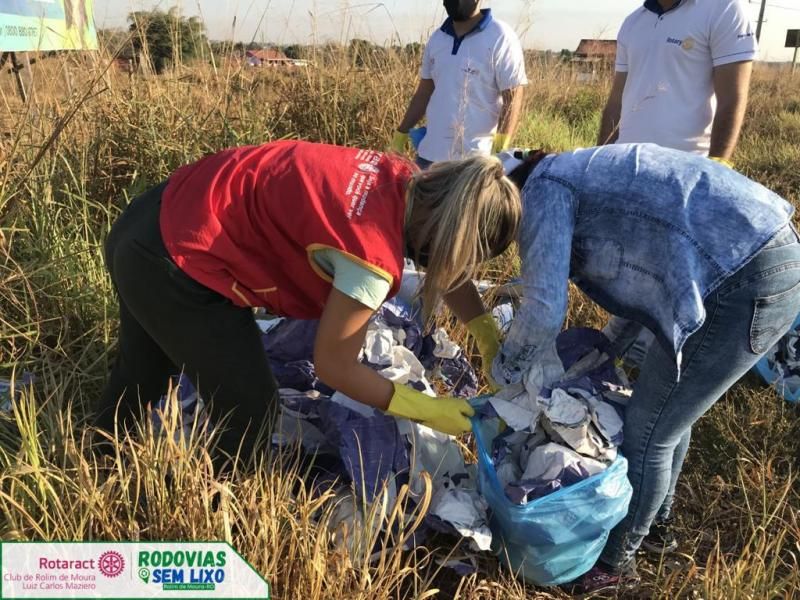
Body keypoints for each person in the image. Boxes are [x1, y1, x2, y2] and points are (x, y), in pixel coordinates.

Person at [493, 143, 800, 594]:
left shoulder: (543, 190)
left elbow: (543, 310)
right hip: (754, 256)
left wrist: (503, 376)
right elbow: (642, 279)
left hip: (744, 276)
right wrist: (603, 351)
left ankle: (614, 566)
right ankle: (656, 525)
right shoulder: (577, 174)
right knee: (669, 413)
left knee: (648, 432)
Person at [97, 140, 518, 468]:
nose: (455, 266)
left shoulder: (399, 177)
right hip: (179, 258)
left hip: (149, 220)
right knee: (250, 406)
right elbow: (334, 365)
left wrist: (485, 335)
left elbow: (446, 261)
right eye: (463, 255)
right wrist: (425, 409)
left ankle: (101, 458)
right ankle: (217, 511)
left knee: (143, 370)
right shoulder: (370, 256)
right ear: (449, 235)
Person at [596, 0, 758, 553]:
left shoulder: (722, 10)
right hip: (633, 195)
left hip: (686, 200)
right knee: (639, 344)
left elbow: (733, 97)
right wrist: (602, 162)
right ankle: (640, 495)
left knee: (668, 364)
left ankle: (652, 519)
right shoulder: (634, 23)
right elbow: (617, 102)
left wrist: (715, 173)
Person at [391, 0, 527, 168]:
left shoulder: (500, 36)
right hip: (428, 157)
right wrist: (401, 134)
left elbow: (513, 96)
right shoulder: (437, 38)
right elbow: (423, 93)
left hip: (473, 163)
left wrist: (500, 150)